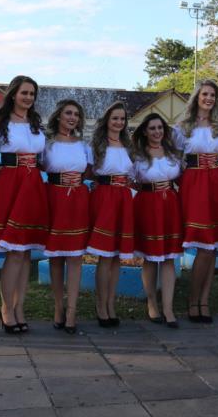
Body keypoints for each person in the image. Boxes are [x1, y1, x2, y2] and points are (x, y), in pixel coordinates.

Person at [0, 75, 48, 333]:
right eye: (24, 93)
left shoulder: (36, 125)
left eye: (32, 94)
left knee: (26, 253)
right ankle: (5, 309)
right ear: (13, 94)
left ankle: (19, 306)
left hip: (33, 183)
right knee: (13, 252)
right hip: (10, 184)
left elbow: (43, 158)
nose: (28, 98)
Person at [173, 79, 218, 323]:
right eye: (205, 94)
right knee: (204, 244)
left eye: (213, 95)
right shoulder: (182, 126)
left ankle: (204, 301)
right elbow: (175, 157)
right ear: (197, 96)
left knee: (214, 244)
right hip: (195, 182)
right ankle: (193, 300)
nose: (209, 98)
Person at [42, 100, 92, 334]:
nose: (72, 117)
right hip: (55, 198)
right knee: (56, 256)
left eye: (76, 114)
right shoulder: (47, 143)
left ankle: (72, 311)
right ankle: (58, 307)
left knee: (75, 257)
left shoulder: (83, 145)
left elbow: (91, 170)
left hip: (78, 200)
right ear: (58, 116)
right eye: (68, 113)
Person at [132, 113, 183, 328]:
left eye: (160, 128)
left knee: (170, 258)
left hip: (170, 204)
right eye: (152, 128)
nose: (157, 132)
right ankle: (152, 303)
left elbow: (181, 178)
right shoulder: (137, 155)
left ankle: (169, 307)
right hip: (148, 205)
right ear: (145, 131)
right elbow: (128, 181)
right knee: (151, 258)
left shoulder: (173, 154)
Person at [86, 101, 134, 327]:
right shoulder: (96, 144)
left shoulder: (128, 144)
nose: (119, 122)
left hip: (123, 197)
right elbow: (87, 171)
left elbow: (133, 173)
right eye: (115, 118)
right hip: (105, 197)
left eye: (122, 119)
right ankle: (100, 304)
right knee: (105, 255)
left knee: (116, 256)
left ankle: (111, 303)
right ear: (107, 119)